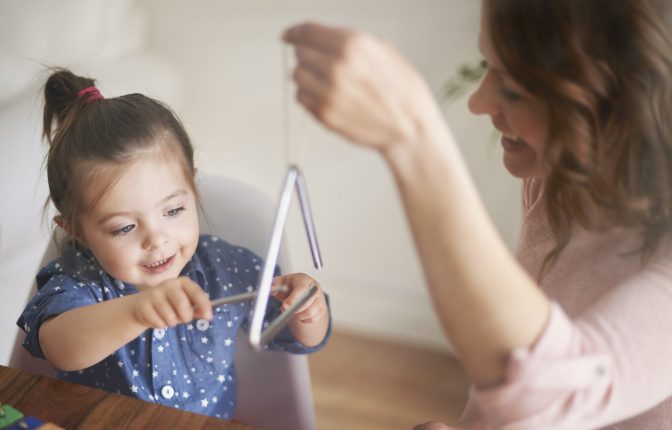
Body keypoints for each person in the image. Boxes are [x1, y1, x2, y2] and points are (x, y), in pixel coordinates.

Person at [283, 0, 672, 428]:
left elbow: (556, 389)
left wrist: (413, 137)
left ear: (622, 105)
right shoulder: (559, 182)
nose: (478, 101)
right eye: (487, 64)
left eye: (512, 88)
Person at [16, 68, 331, 420]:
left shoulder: (226, 269)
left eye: (174, 210)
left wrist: (306, 309)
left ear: (193, 190)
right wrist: (137, 311)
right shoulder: (77, 280)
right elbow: (61, 347)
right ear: (75, 231)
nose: (157, 239)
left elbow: (299, 335)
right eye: (124, 228)